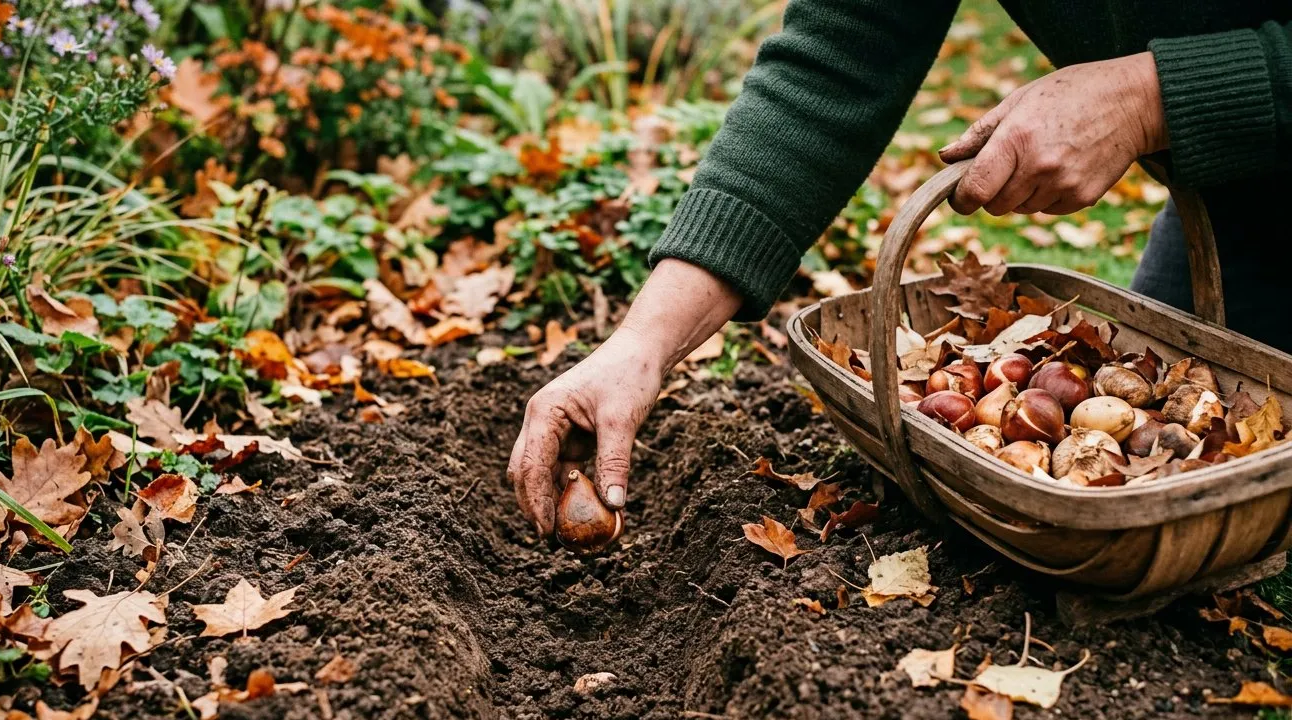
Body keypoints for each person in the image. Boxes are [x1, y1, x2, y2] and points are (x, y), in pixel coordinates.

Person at [508, 0, 1292, 538]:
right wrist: (641, 346)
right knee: (1167, 474)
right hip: (1235, 209)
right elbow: (835, 62)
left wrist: (1151, 97)